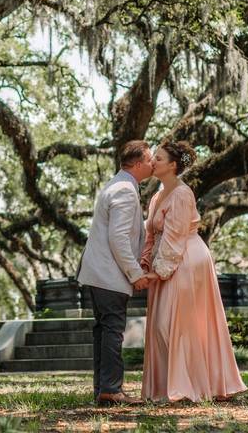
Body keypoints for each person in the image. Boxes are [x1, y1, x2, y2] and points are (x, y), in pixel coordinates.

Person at [138, 140, 247, 403]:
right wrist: (145, 263)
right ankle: (170, 386)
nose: (153, 163)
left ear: (173, 166)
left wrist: (159, 271)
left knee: (182, 323)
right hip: (164, 261)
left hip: (186, 260)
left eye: (159, 159)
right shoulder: (156, 196)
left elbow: (175, 236)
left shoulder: (183, 193)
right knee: (163, 325)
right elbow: (150, 234)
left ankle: (190, 386)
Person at [77, 140, 154, 406]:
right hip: (109, 274)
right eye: (150, 159)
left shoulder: (118, 185)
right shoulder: (125, 190)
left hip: (98, 273)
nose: (153, 163)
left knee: (103, 331)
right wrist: (135, 274)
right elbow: (119, 239)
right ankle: (111, 388)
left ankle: (103, 389)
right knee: (112, 330)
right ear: (137, 163)